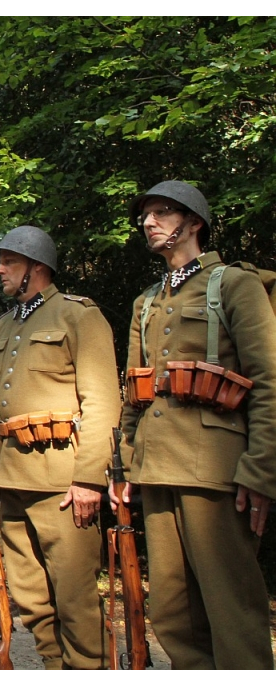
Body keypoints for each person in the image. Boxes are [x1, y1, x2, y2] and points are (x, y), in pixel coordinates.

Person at [116, 181, 276, 669]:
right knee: (173, 611)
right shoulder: (147, 301)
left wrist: (260, 469)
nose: (150, 222)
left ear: (194, 222)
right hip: (156, 467)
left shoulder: (232, 283)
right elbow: (134, 390)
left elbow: (268, 380)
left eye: (162, 212)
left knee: (232, 607)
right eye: (146, 215)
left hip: (216, 468)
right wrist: (125, 464)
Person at [0, 225, 120, 669]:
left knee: (76, 605)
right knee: (33, 604)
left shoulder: (77, 315)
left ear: (36, 268)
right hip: (10, 480)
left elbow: (101, 402)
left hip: (62, 483)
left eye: (9, 262)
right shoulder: (3, 326)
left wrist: (89, 479)